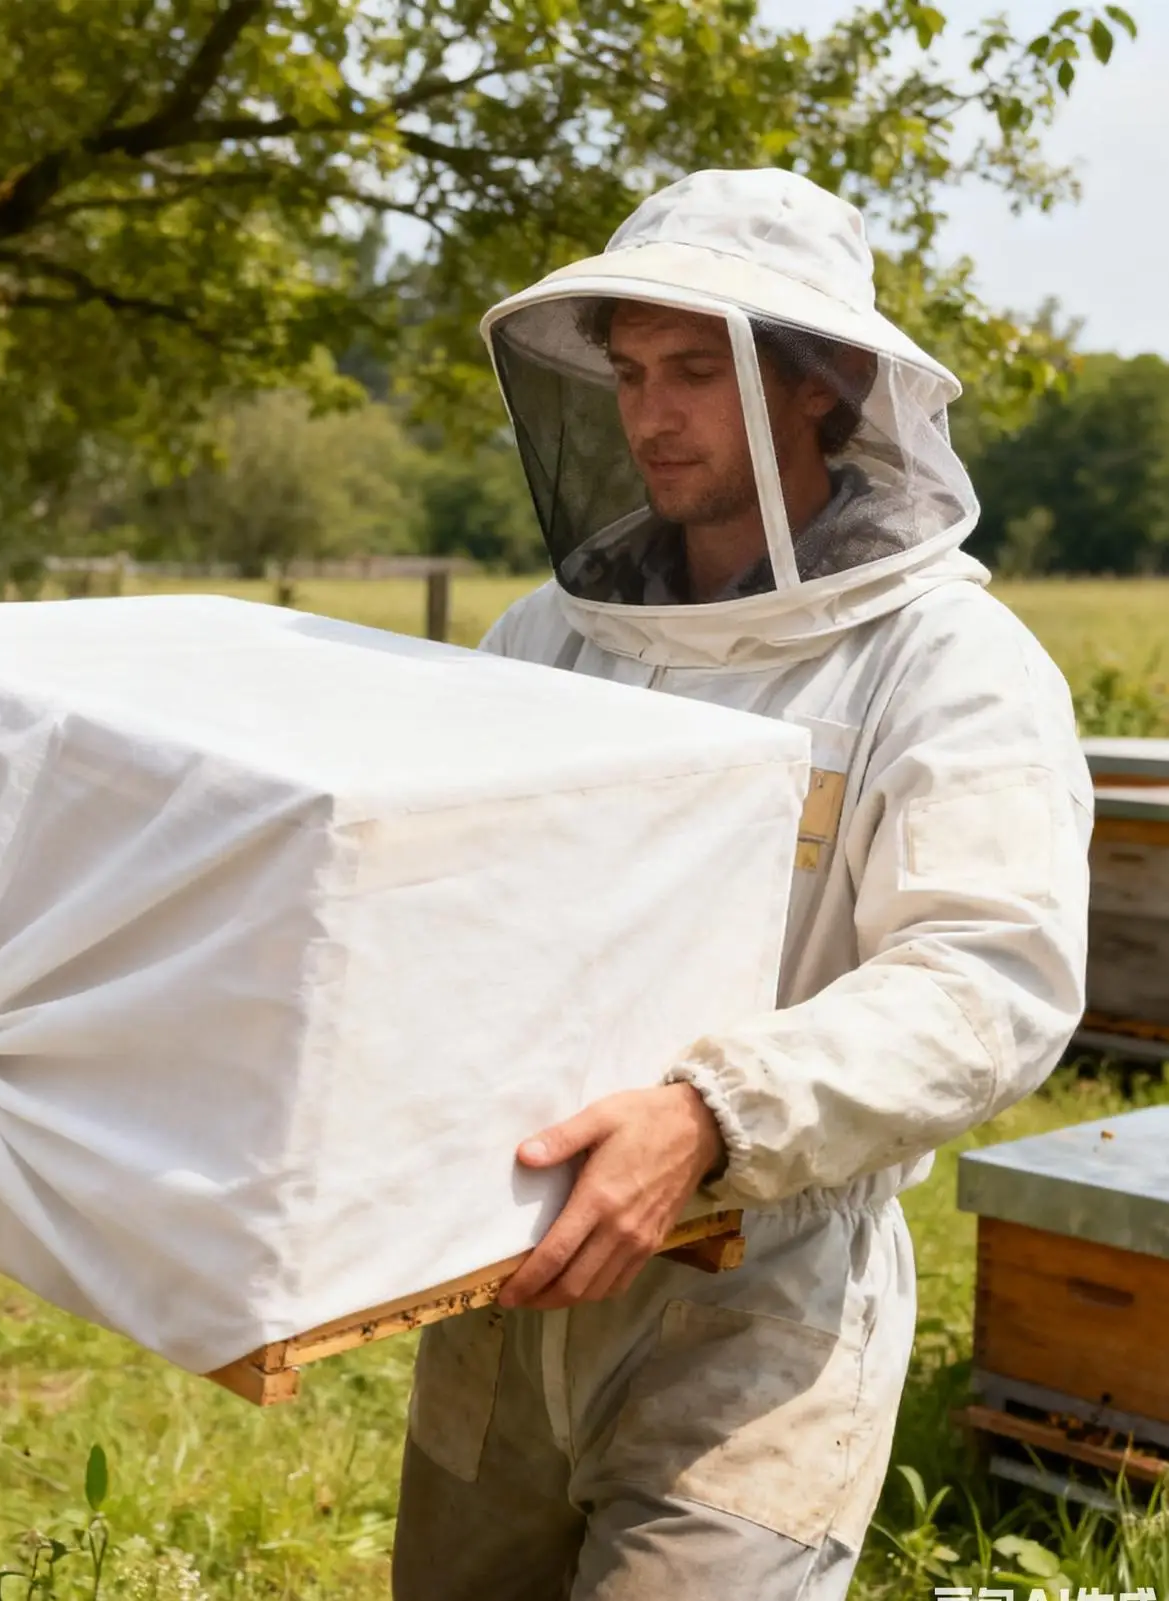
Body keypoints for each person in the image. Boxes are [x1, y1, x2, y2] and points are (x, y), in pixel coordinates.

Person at [391, 168, 1093, 1600]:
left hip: (759, 1312)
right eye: (632, 374)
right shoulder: (548, 638)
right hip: (501, 1280)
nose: (652, 416)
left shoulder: (947, 666)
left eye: (697, 373)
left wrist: (712, 1115)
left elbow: (988, 977)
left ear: (820, 386)